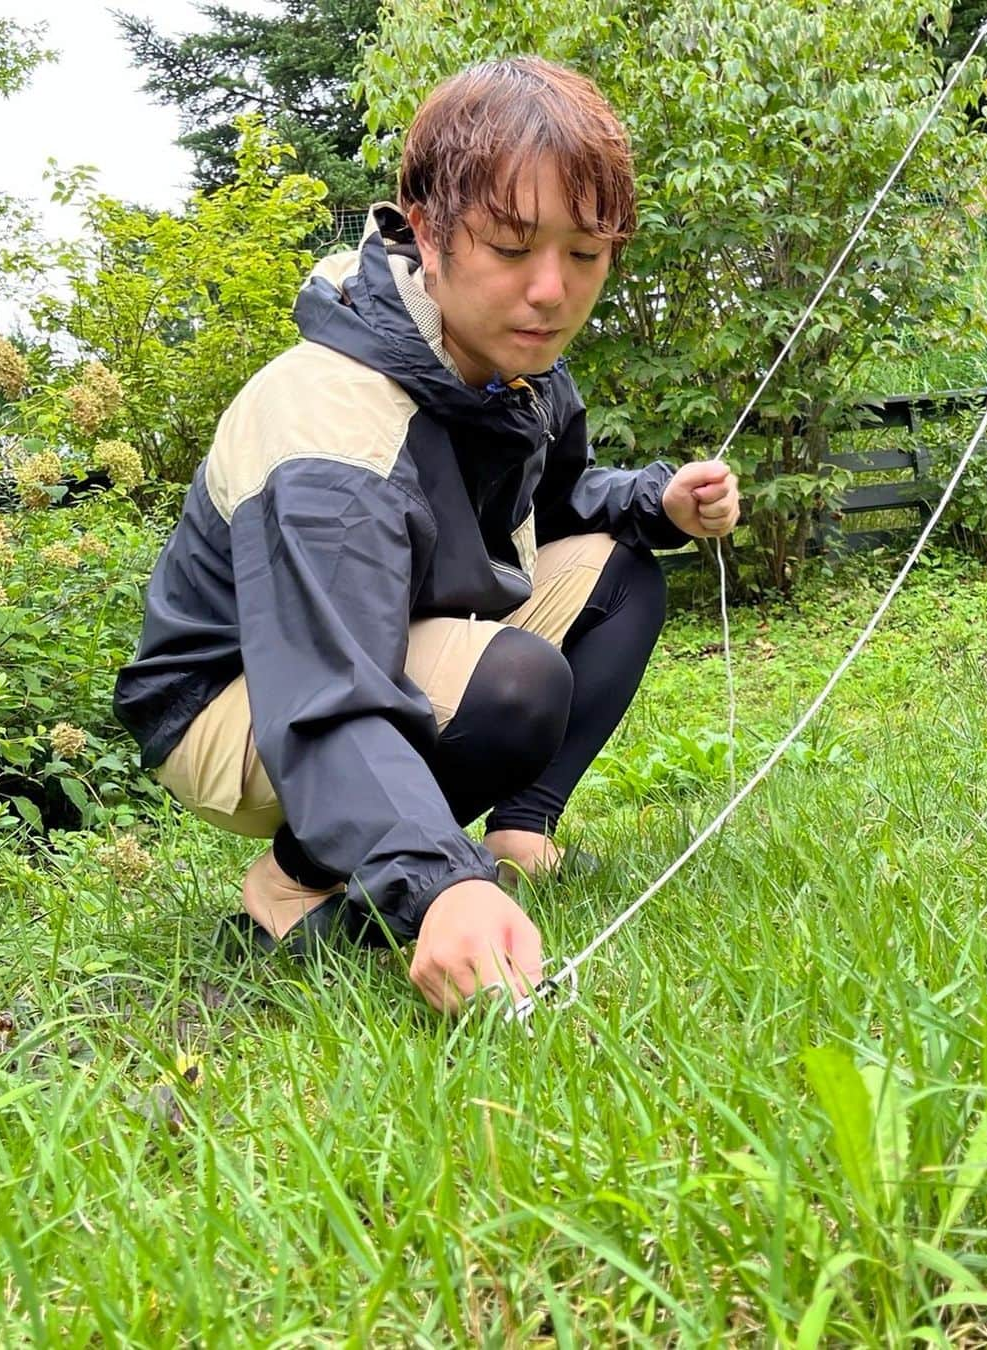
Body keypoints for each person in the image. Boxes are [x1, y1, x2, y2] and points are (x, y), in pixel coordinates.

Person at [113, 55, 740, 1014]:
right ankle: (297, 884)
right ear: (429, 233)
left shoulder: (518, 366)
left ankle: (519, 831)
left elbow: (562, 501)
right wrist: (439, 887)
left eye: (584, 253)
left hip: (390, 635)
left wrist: (660, 503)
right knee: (517, 686)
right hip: (237, 697)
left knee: (621, 574)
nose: (550, 290)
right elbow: (326, 686)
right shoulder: (331, 419)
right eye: (510, 244)